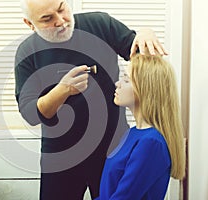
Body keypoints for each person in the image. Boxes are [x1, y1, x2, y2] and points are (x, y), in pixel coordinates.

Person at [14, 0, 168, 199]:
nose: (61, 21)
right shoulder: (28, 52)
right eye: (47, 19)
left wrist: (145, 32)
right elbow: (30, 114)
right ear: (30, 23)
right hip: (61, 156)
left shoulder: (100, 24)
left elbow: (145, 58)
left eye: (62, 9)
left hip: (112, 149)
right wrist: (62, 91)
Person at [95, 50, 186, 199]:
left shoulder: (151, 142)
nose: (117, 84)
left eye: (126, 79)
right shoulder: (132, 133)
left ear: (145, 88)